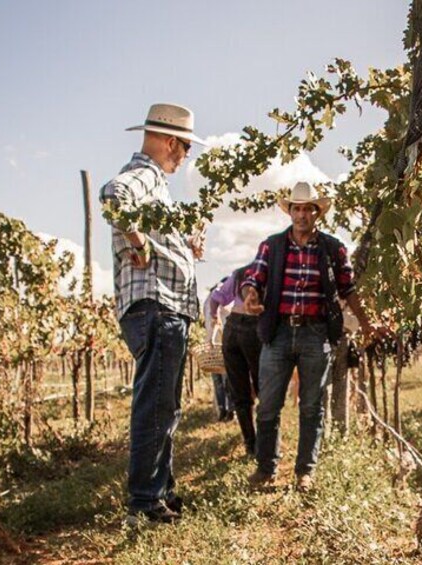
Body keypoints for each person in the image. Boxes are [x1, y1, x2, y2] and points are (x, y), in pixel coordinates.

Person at [240, 181, 385, 492]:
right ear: (290, 211)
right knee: (268, 405)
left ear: (317, 213)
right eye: (297, 208)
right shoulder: (272, 245)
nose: (302, 214)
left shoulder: (333, 248)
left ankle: (305, 471)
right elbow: (254, 276)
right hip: (277, 332)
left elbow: (348, 289)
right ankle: (266, 469)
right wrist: (250, 294)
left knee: (311, 405)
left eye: (308, 209)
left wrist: (367, 323)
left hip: (315, 334)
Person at [100, 102, 205, 524]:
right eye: (184, 147)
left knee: (166, 406)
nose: (185, 156)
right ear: (167, 141)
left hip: (165, 306)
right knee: (156, 406)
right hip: (157, 305)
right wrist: (139, 242)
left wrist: (183, 247)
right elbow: (113, 193)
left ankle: (160, 491)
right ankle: (143, 504)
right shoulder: (144, 174)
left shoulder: (157, 185)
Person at [208, 266, 262, 456]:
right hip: (255, 329)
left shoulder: (241, 273)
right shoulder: (269, 271)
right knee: (263, 388)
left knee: (239, 392)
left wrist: (215, 317)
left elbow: (216, 298)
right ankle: (265, 443)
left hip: (232, 329)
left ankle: (250, 444)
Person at [203, 278, 235, 422]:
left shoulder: (206, 302)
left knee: (217, 380)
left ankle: (222, 410)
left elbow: (208, 325)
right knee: (228, 379)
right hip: (223, 344)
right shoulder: (222, 299)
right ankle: (230, 411)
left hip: (211, 345)